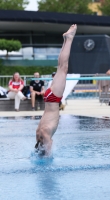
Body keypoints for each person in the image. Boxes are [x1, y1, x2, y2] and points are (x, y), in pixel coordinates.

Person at [35, 24, 77, 156]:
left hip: (53, 99)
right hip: (48, 98)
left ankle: (69, 39)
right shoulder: (38, 133)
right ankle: (66, 39)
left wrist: (47, 158)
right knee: (61, 67)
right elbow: (41, 143)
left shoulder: (45, 133)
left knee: (63, 68)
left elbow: (50, 144)